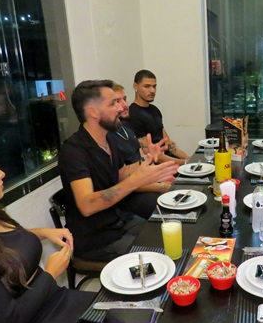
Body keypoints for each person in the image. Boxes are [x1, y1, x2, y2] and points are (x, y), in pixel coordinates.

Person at [0, 136, 150, 323]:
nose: (2, 173)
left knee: (136, 322)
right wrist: (51, 273)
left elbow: (3, 242)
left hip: (53, 300)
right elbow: (12, 319)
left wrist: (43, 232)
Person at [59, 79, 178, 261]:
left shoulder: (109, 139)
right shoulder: (73, 151)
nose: (120, 108)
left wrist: (147, 160)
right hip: (97, 240)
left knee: (175, 235)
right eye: (113, 103)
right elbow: (87, 205)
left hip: (121, 221)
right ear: (93, 112)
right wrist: (137, 180)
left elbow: (121, 173)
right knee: (163, 255)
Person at [111, 82, 173, 218]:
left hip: (142, 182)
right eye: (117, 101)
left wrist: (151, 160)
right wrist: (161, 186)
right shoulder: (107, 137)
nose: (125, 105)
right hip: (129, 194)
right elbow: (122, 181)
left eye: (124, 99)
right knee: (167, 204)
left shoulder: (126, 127)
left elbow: (140, 161)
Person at [127, 70, 190, 166]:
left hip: (171, 161)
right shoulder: (133, 114)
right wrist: (184, 163)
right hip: (158, 166)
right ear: (136, 86)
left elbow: (168, 142)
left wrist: (188, 158)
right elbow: (151, 155)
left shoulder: (154, 110)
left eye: (154, 86)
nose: (152, 90)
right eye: (147, 86)